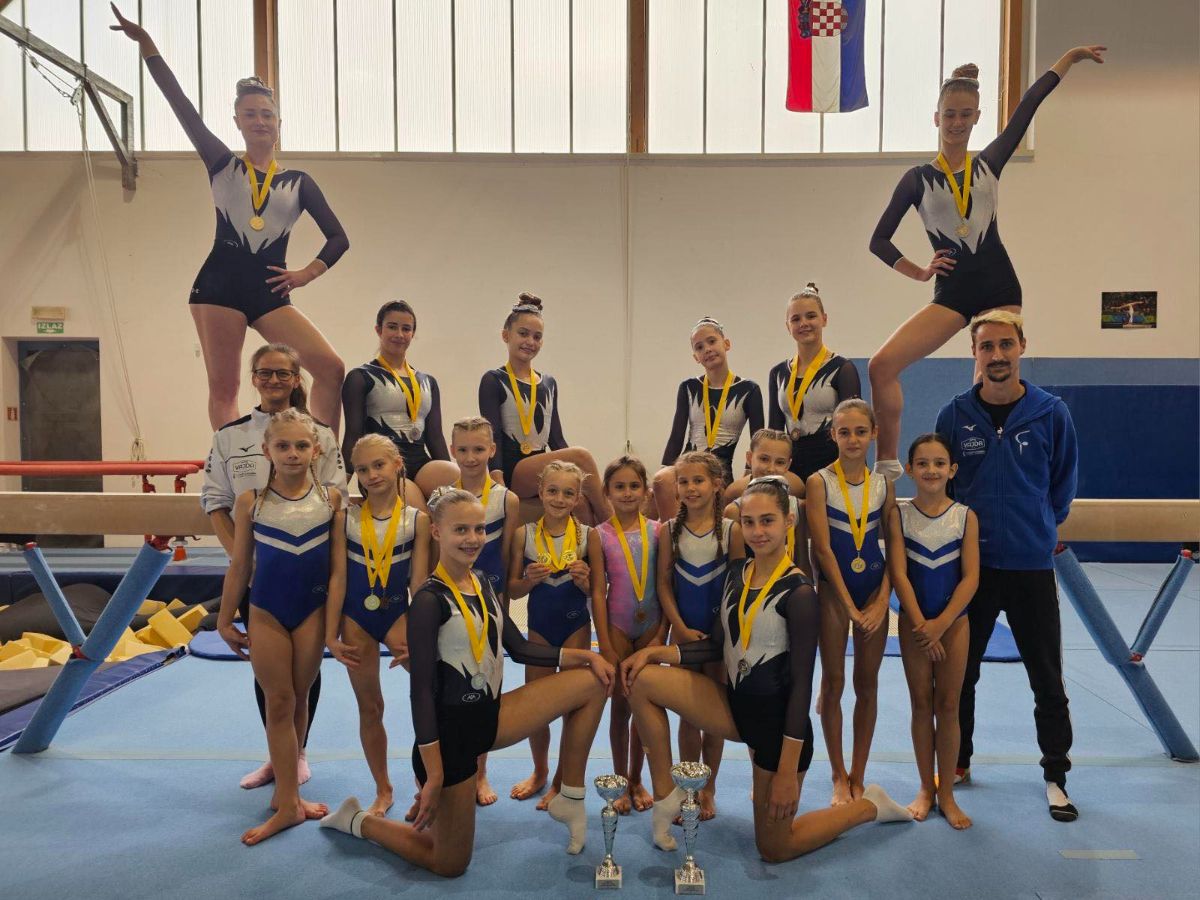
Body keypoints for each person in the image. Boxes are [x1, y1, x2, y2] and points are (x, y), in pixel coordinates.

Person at [320, 488, 614, 876]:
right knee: (448, 863)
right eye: (460, 529)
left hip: (494, 718)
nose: (472, 538)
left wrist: (585, 656)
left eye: (478, 529)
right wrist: (434, 773)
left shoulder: (484, 584)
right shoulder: (428, 601)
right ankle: (357, 820)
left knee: (594, 680)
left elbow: (520, 648)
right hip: (449, 742)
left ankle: (570, 795)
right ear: (437, 532)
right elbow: (420, 692)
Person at [622, 478, 911, 862]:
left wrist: (787, 771)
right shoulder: (735, 573)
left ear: (788, 521)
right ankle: (666, 794)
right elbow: (716, 646)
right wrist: (659, 653)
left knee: (775, 847)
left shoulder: (800, 594)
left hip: (777, 729)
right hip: (732, 706)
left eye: (768, 521)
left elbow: (801, 687)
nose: (758, 531)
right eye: (749, 522)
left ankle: (869, 806)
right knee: (640, 677)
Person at [867, 46, 1106, 480]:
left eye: (966, 115)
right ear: (936, 117)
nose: (957, 122)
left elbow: (1029, 105)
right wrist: (919, 271)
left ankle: (996, 469)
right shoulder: (917, 180)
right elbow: (878, 240)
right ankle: (886, 464)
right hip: (953, 292)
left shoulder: (990, 164)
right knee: (881, 365)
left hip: (998, 286)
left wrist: (1067, 59)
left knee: (988, 385)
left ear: (977, 117)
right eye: (949, 114)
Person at [111, 4, 350, 431]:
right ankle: (233, 461)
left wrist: (304, 274)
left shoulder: (299, 182)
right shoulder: (223, 165)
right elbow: (181, 105)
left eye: (267, 114)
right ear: (236, 121)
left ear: (279, 123)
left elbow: (338, 238)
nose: (260, 121)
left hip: (268, 289)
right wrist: (147, 45)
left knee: (331, 368)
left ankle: (318, 452)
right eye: (250, 114)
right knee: (225, 389)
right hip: (218, 285)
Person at [934, 309, 1079, 822]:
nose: (996, 355)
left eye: (1005, 345)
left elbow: (1062, 486)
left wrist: (1037, 526)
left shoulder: (1051, 413)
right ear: (974, 353)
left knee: (1047, 678)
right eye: (986, 346)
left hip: (1029, 567)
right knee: (961, 676)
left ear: (1021, 347)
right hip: (972, 570)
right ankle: (958, 762)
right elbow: (945, 487)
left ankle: (1056, 775)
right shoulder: (954, 415)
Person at [200, 343, 347, 790]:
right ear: (254, 378)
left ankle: (298, 752)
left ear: (296, 379)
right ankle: (276, 755)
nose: (274, 380)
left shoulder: (320, 434)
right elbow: (215, 501)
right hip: (260, 571)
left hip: (307, 571)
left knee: (303, 680)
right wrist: (242, 557)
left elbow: (335, 499)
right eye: (265, 372)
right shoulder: (230, 436)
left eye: (283, 373)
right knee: (270, 679)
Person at [215, 409, 343, 844]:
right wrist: (225, 618)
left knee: (299, 696)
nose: (292, 453)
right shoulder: (251, 501)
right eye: (283, 446)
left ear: (316, 450)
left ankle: (289, 795)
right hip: (266, 610)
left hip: (312, 612)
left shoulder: (332, 500)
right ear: (266, 450)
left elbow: (338, 571)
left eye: (301, 445)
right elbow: (239, 565)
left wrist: (334, 625)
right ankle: (288, 801)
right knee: (279, 699)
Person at [325, 435, 430, 818]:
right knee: (370, 707)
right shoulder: (346, 519)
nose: (371, 475)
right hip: (356, 618)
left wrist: (421, 636)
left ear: (397, 463)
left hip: (397, 614)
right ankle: (383, 788)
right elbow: (338, 577)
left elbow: (419, 582)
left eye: (379, 465)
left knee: (427, 701)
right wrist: (330, 634)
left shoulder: (416, 520)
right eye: (363, 469)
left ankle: (425, 784)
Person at [885, 433, 978, 828]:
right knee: (921, 704)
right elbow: (899, 573)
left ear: (952, 470)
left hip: (954, 623)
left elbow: (971, 578)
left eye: (939, 463)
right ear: (909, 469)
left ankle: (947, 794)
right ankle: (926, 787)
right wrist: (922, 624)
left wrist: (940, 625)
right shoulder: (900, 515)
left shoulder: (965, 516)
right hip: (915, 623)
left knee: (949, 705)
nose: (931, 470)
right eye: (922, 463)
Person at [806, 399, 894, 806]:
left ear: (874, 433)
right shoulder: (819, 482)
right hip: (835, 592)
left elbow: (895, 549)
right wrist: (848, 605)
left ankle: (859, 771)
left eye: (861, 431)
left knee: (867, 683)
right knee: (834, 681)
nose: (853, 439)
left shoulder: (883, 484)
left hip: (872, 590)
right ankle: (838, 773)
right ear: (833, 435)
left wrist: (882, 601)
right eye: (845, 432)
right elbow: (823, 549)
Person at [505, 461, 604, 808]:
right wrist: (528, 580)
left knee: (571, 707)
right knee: (537, 705)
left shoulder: (589, 536)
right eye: (552, 491)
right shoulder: (524, 534)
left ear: (577, 498)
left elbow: (600, 591)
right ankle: (540, 771)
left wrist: (586, 582)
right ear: (541, 492)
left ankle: (562, 778)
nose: (559, 499)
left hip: (576, 625)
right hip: (539, 628)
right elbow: (512, 590)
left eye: (568, 493)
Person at [656, 450, 745, 820]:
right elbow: (664, 584)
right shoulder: (669, 531)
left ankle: (709, 787)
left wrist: (720, 631)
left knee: (714, 715)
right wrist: (678, 626)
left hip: (719, 636)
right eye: (684, 481)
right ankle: (688, 786)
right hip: (684, 635)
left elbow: (738, 585)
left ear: (717, 484)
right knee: (688, 714)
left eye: (698, 480)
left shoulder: (732, 530)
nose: (691, 488)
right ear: (676, 488)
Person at [478, 294, 612, 523]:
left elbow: (556, 439)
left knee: (581, 503)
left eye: (537, 337)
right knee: (581, 456)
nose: (530, 341)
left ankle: (596, 542)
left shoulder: (548, 383)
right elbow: (493, 436)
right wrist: (497, 478)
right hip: (514, 470)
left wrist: (570, 478)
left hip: (542, 467)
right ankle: (614, 524)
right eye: (523, 334)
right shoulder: (493, 379)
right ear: (506, 335)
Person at [448, 415, 520, 807]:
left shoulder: (506, 499)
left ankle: (480, 772)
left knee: (486, 688)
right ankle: (444, 770)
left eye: (479, 449)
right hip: (452, 604)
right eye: (463, 449)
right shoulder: (443, 498)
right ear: (452, 451)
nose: (471, 457)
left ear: (492, 450)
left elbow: (506, 559)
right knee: (449, 687)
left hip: (489, 605)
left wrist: (502, 610)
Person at [595, 456, 663, 814]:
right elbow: (597, 592)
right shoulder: (599, 535)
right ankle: (620, 779)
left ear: (646, 491)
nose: (627, 493)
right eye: (619, 486)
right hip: (617, 627)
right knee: (621, 706)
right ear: (606, 492)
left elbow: (665, 585)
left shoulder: (659, 531)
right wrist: (604, 643)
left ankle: (637, 778)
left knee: (643, 705)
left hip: (651, 625)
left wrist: (662, 634)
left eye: (634, 486)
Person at [341, 301, 459, 505]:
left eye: (406, 329)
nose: (399, 334)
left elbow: (435, 437)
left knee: (458, 490)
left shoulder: (428, 382)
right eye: (392, 327)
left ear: (413, 334)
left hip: (420, 462)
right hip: (379, 465)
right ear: (379, 330)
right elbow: (353, 434)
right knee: (418, 513)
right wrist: (341, 485)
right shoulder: (359, 377)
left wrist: (447, 474)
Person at [653, 317, 764, 519]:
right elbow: (677, 435)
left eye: (712, 341)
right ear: (695, 357)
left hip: (719, 470)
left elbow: (758, 439)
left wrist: (750, 473)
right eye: (699, 347)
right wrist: (664, 471)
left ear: (726, 344)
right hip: (687, 464)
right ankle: (671, 536)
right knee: (660, 481)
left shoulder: (749, 389)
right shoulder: (689, 387)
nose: (707, 349)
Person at [767, 284, 862, 482]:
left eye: (811, 316)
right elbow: (774, 431)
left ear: (824, 319)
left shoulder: (842, 368)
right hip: (791, 466)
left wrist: (852, 473)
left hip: (832, 464)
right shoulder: (778, 373)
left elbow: (853, 426)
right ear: (788, 326)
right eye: (796, 319)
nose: (804, 323)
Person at [724, 430, 811, 578]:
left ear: (788, 465)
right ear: (749, 458)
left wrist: (807, 584)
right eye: (764, 459)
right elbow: (733, 563)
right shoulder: (733, 496)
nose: (771, 468)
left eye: (780, 462)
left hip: (788, 578)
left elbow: (802, 553)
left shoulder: (797, 491)